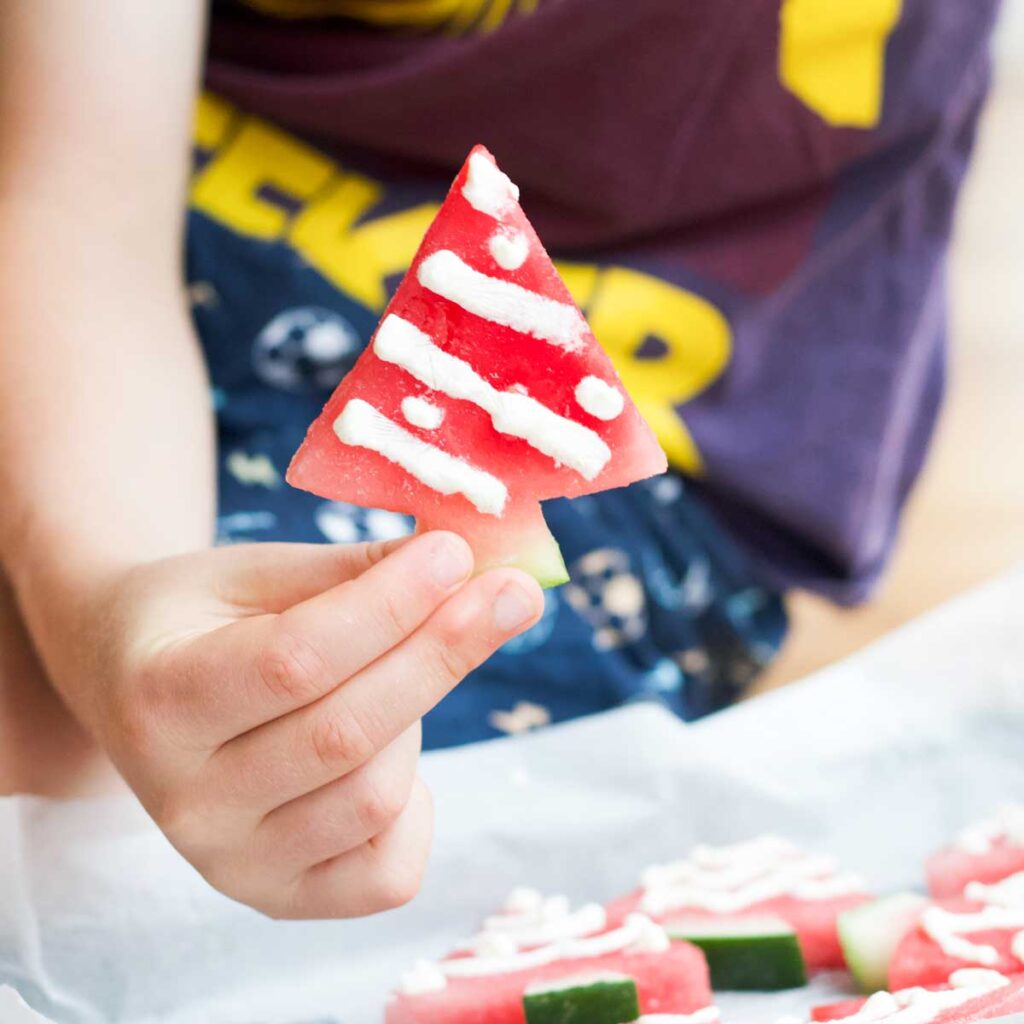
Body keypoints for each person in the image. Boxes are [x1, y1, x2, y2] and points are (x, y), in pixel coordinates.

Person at [0, 0, 998, 919]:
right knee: (91, 799)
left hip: (632, 438)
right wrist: (108, 604)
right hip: (153, 228)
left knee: (252, 816)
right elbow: (79, 212)